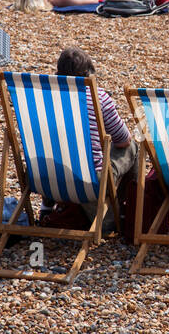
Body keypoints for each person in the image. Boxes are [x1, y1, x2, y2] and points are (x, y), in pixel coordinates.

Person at [55, 47, 136, 215]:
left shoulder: (42, 95)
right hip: (89, 180)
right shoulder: (98, 97)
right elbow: (123, 141)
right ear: (88, 73)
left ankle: (48, 208)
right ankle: (124, 210)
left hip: (47, 176)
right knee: (134, 146)